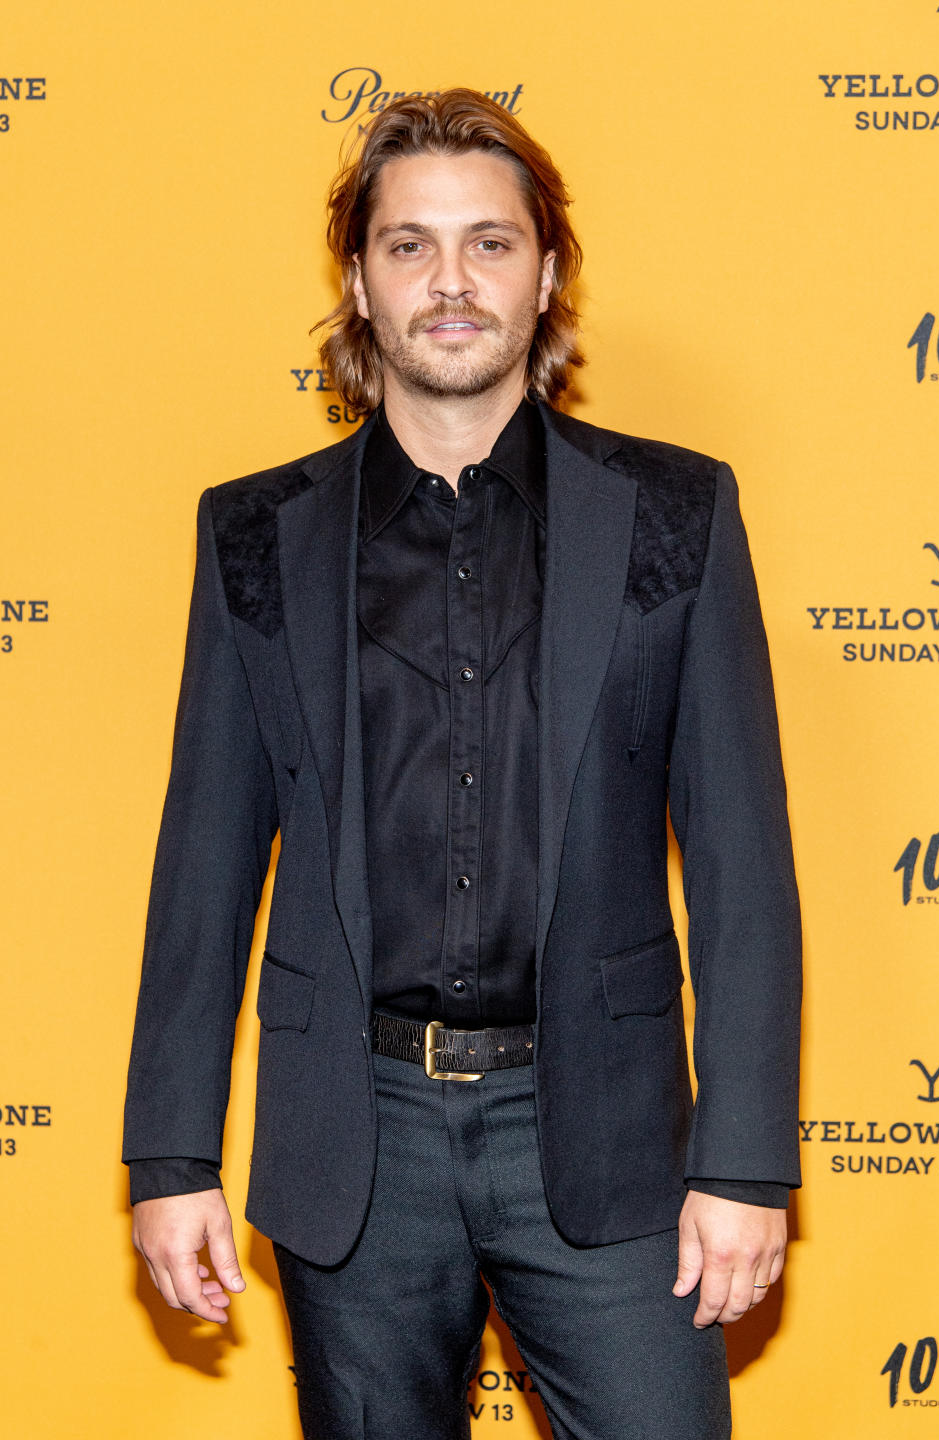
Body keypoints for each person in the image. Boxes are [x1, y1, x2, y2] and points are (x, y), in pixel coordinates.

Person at [123, 88, 802, 1440]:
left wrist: (746, 1163)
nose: (450, 282)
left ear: (547, 276)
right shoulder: (257, 533)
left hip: (610, 1133)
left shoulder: (676, 511)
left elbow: (742, 863)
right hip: (352, 1135)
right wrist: (171, 1151)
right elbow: (204, 853)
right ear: (360, 283)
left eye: (489, 244)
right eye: (410, 244)